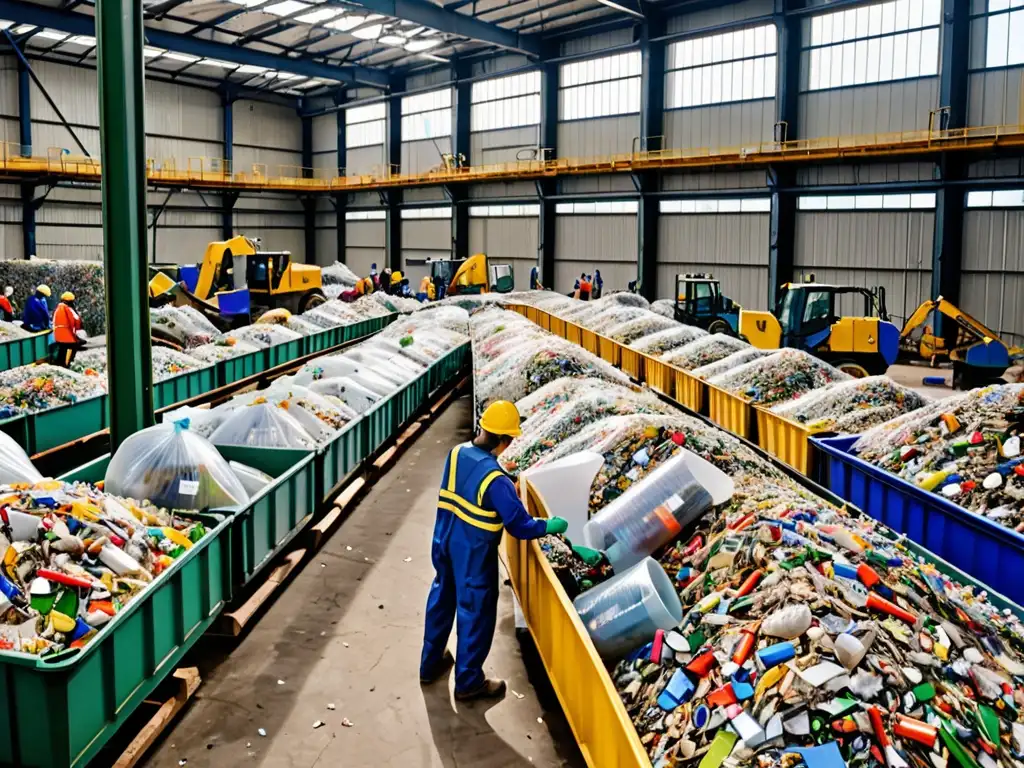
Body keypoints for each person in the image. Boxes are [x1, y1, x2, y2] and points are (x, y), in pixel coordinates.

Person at [420, 400, 568, 701]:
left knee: (442, 599)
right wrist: (550, 525)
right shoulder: (496, 480)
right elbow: (521, 525)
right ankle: (469, 682)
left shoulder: (457, 453)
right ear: (505, 440)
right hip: (473, 556)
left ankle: (430, 663)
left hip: (444, 544)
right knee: (475, 614)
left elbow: (469, 482)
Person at [52, 291, 84, 367]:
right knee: (74, 346)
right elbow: (74, 320)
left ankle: (59, 363)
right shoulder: (68, 308)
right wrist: (75, 334)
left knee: (62, 349)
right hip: (67, 334)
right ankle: (68, 364)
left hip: (58, 335)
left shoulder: (57, 308)